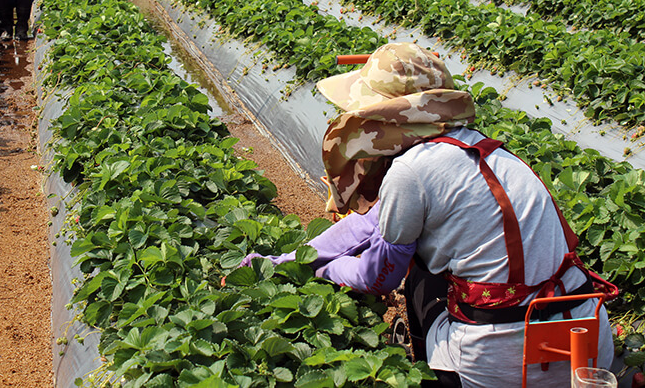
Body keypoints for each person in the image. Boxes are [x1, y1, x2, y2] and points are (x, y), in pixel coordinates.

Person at [240, 42, 616, 388]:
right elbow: (367, 225)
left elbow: (377, 277)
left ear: (387, 118)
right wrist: (290, 260)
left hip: (502, 365)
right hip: (588, 342)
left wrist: (324, 270)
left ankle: (437, 372)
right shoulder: (482, 150)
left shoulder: (411, 171)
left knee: (421, 270)